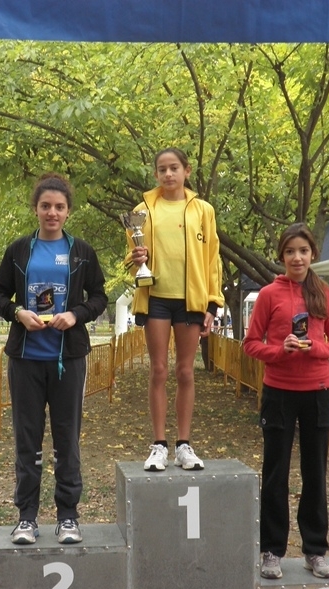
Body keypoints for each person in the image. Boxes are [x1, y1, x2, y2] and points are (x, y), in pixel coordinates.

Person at [0, 173, 107, 546]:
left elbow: (99, 297)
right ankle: (26, 518)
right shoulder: (18, 250)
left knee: (66, 438)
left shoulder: (81, 252)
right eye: (45, 206)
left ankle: (68, 516)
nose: (52, 213)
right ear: (36, 209)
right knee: (27, 440)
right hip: (25, 359)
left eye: (59, 207)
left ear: (68, 211)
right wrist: (17, 313)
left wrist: (75, 315)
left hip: (67, 359)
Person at [243, 223, 329, 581]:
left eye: (303, 251)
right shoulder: (269, 294)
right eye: (290, 251)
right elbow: (251, 343)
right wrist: (279, 350)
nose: (297, 258)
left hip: (317, 392)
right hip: (279, 393)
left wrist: (316, 348)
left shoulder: (324, 293)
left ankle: (315, 550)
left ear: (312, 254)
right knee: (276, 474)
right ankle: (271, 551)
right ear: (282, 256)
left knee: (315, 474)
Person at [125, 147, 223, 472]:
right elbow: (131, 257)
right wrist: (136, 259)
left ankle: (183, 444)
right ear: (155, 174)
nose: (168, 174)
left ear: (187, 171)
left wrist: (213, 303)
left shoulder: (203, 210)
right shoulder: (142, 210)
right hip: (155, 298)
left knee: (185, 371)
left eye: (174, 168)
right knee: (158, 370)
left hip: (191, 300)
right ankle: (158, 445)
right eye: (162, 169)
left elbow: (213, 259)